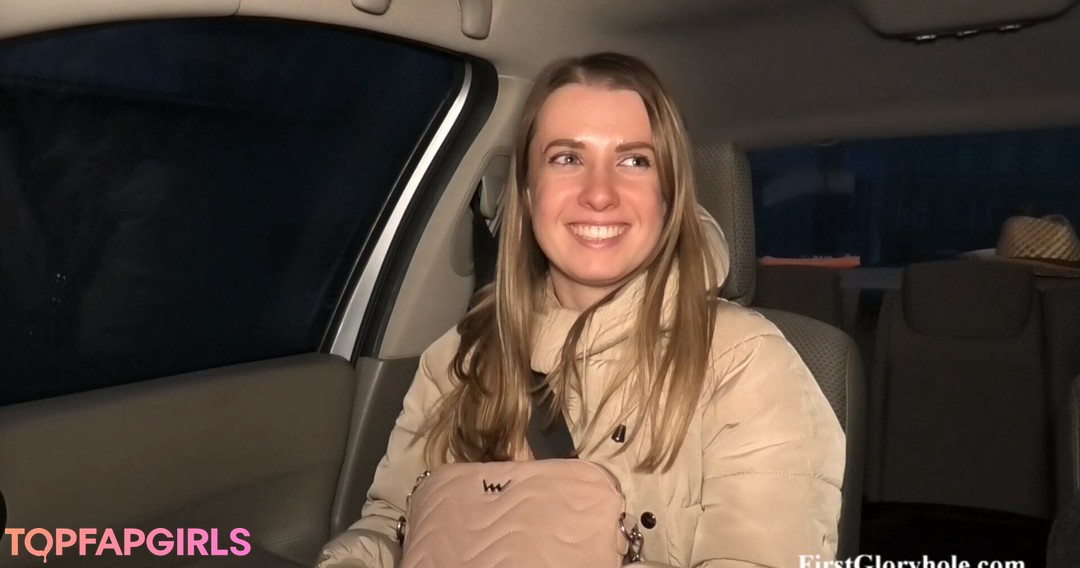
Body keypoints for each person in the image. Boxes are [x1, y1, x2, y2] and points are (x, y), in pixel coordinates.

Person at [318, 52, 845, 568]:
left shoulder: (744, 363)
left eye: (634, 160)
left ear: (668, 196)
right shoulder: (460, 355)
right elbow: (393, 523)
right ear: (528, 192)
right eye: (567, 158)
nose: (599, 193)